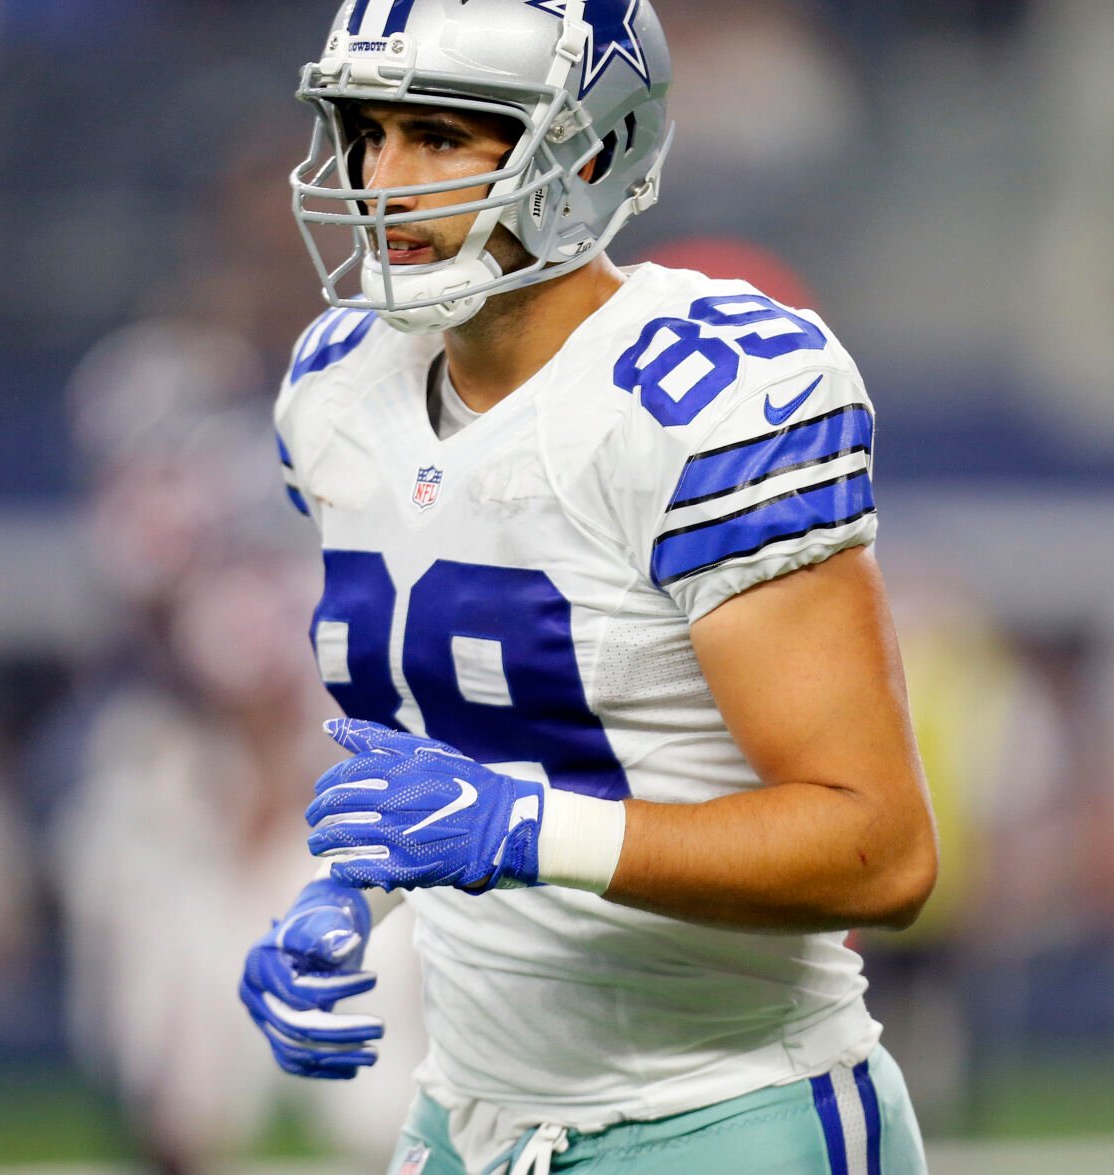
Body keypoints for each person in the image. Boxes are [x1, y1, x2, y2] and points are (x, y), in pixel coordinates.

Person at [238, 3, 939, 1173]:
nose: (380, 179)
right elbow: (451, 739)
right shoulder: (337, 386)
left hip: (724, 1111)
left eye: (438, 135)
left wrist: (525, 829)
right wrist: (348, 893)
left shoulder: (702, 397)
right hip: (467, 1113)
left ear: (589, 151)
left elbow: (879, 849)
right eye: (365, 132)